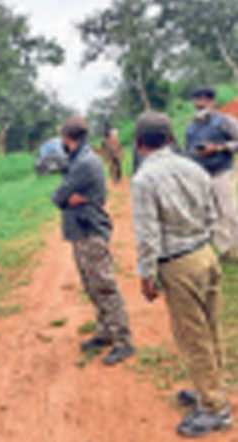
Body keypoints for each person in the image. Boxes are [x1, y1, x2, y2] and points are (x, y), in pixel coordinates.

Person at [132, 112, 231, 437]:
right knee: (211, 327)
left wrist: (146, 274)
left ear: (138, 144)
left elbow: (147, 234)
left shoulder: (144, 179)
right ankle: (212, 388)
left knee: (192, 336)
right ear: (172, 138)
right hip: (206, 254)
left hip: (178, 264)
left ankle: (215, 408)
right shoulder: (194, 167)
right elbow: (212, 212)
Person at [52, 117, 134, 365]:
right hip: (81, 231)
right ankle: (106, 331)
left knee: (104, 285)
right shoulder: (80, 159)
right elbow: (67, 195)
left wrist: (67, 198)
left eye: (62, 138)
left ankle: (123, 340)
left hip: (90, 231)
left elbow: (58, 196)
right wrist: (69, 198)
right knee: (91, 284)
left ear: (67, 138)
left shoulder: (84, 163)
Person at [186, 86, 238, 260]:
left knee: (229, 212)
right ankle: (225, 249)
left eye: (204, 100)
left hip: (222, 171)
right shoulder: (191, 128)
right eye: (197, 100)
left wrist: (218, 148)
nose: (199, 103)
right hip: (202, 175)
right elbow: (188, 151)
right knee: (213, 215)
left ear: (211, 102)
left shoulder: (225, 121)